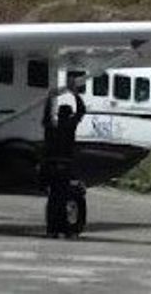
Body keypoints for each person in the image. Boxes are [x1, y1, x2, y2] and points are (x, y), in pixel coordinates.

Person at [41, 87, 86, 238]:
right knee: (63, 198)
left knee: (53, 199)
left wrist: (49, 99)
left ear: (58, 115)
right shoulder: (69, 127)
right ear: (69, 115)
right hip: (64, 167)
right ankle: (65, 229)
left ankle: (51, 229)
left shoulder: (51, 128)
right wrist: (75, 94)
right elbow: (81, 111)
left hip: (50, 167)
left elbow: (46, 116)